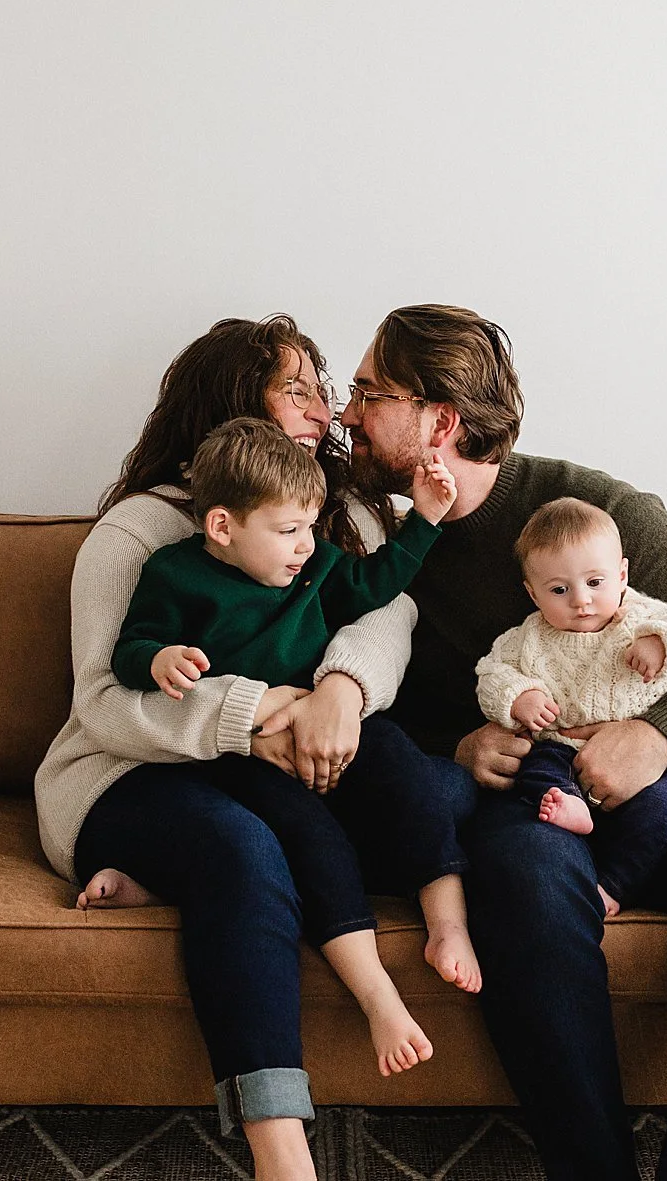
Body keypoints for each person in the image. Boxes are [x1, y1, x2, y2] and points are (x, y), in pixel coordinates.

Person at [337, 304, 667, 1181]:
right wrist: (456, 746)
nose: (347, 413)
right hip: (529, 797)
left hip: (666, 786)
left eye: (369, 392)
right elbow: (359, 694)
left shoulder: (592, 511)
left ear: (440, 422)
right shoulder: (372, 537)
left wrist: (656, 736)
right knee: (526, 886)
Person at [34, 315, 462, 1181]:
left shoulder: (330, 515)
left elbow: (388, 610)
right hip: (127, 774)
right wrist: (260, 711)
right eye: (296, 387)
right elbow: (106, 701)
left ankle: (161, 883)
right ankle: (281, 1151)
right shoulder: (141, 534)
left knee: (429, 789)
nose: (326, 407)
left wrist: (339, 691)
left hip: (278, 763)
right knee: (242, 847)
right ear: (236, 401)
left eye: (322, 385)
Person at [87, 416, 477, 1078]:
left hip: (319, 723)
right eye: (287, 530)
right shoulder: (173, 574)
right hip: (244, 753)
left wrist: (427, 519)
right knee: (307, 836)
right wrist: (160, 660)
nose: (305, 546)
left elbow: (377, 585)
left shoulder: (317, 564)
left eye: (311, 526)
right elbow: (126, 654)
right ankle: (376, 993)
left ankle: (449, 921)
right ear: (221, 528)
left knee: (410, 774)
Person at [474, 496, 667, 916]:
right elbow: (491, 673)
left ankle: (614, 885)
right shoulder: (527, 638)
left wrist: (663, 642)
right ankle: (569, 806)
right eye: (559, 589)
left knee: (662, 812)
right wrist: (519, 697)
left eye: (595, 582)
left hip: (661, 764)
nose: (580, 601)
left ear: (621, 575)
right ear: (532, 594)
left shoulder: (644, 616)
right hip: (562, 751)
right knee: (534, 774)